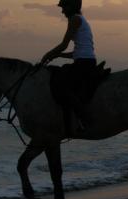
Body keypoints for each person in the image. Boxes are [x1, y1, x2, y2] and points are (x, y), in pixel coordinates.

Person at [40, 0, 96, 133]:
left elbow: (64, 45)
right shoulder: (80, 20)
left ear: (72, 6)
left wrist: (47, 54)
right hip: (85, 60)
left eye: (64, 7)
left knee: (60, 86)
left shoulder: (75, 20)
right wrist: (58, 56)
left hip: (83, 63)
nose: (62, 11)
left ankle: (82, 118)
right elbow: (76, 52)